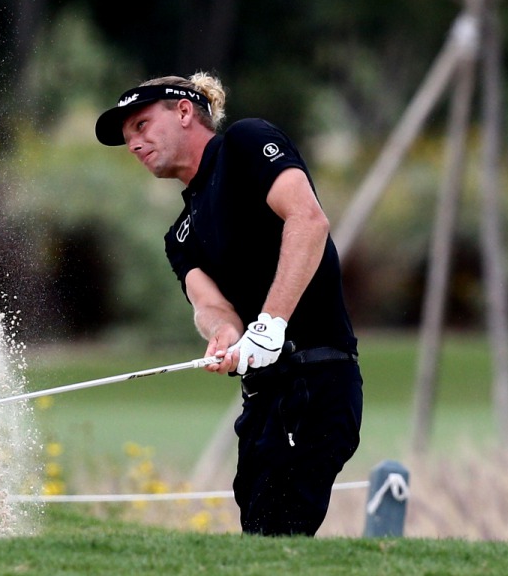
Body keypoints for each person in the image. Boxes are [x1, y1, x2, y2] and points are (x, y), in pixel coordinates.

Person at [95, 72, 362, 536]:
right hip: (263, 397)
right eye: (127, 137)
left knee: (282, 534)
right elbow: (210, 305)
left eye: (141, 125)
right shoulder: (180, 236)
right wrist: (225, 334)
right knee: (260, 534)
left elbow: (308, 220)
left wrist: (271, 323)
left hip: (317, 378)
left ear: (183, 111)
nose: (134, 143)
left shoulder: (245, 143)